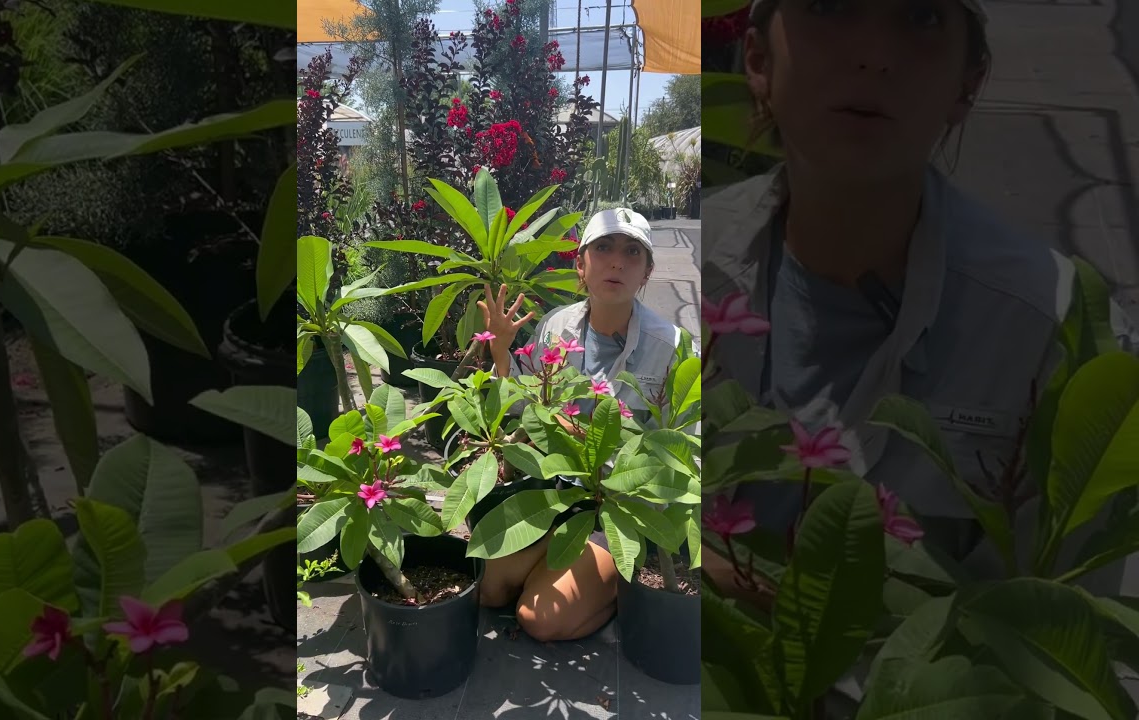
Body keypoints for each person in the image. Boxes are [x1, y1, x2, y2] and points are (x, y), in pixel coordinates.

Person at [702, 0, 1139, 639]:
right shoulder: (682, 264)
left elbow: (1052, 640)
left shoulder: (1055, 334)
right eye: (828, 7)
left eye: (922, 17)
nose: (875, 54)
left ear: (968, 82)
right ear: (759, 60)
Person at [470, 206, 693, 642]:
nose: (616, 261)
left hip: (621, 509)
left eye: (633, 252)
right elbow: (522, 406)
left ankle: (614, 595)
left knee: (540, 619)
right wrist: (500, 352)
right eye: (603, 248)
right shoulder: (558, 326)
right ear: (581, 265)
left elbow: (684, 451)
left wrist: (595, 446)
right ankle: (556, 572)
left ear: (646, 272)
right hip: (559, 494)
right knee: (487, 591)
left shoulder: (672, 347)